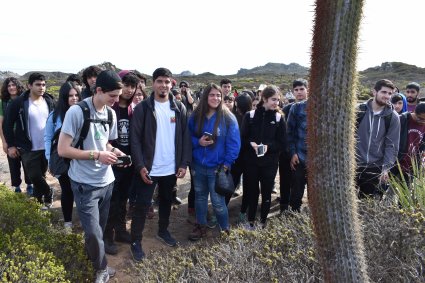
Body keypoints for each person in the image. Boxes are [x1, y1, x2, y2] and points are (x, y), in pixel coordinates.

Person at [57, 70, 124, 282]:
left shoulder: (111, 113)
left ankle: (91, 261)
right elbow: (63, 150)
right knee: (94, 233)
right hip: (84, 184)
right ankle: (102, 269)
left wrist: (116, 153)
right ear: (99, 91)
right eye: (112, 96)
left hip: (107, 182)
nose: (116, 100)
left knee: (99, 230)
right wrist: (97, 155)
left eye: (118, 96)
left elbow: (106, 143)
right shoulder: (76, 112)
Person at [130, 67, 191, 261]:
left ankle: (163, 231)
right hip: (149, 168)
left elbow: (185, 137)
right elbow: (135, 140)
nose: (164, 85)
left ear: (171, 83)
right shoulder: (143, 108)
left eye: (167, 82)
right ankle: (136, 241)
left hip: (170, 168)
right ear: (153, 83)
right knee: (142, 206)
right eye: (160, 81)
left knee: (166, 201)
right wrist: (140, 166)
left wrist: (183, 163)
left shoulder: (178, 107)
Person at [187, 83, 240, 241]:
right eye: (212, 95)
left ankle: (224, 229)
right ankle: (201, 226)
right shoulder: (196, 116)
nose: (216, 98)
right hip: (198, 166)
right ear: (205, 97)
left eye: (218, 95)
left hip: (217, 168)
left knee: (218, 202)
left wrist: (226, 164)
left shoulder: (228, 117)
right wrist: (198, 143)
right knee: (200, 197)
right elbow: (187, 137)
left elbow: (234, 143)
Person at [3, 73, 55, 208]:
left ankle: (40, 204)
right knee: (34, 176)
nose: (42, 88)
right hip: (28, 147)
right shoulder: (18, 103)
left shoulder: (49, 101)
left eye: (44, 85)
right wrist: (11, 145)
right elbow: (7, 125)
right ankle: (49, 192)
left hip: (46, 147)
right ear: (29, 85)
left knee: (41, 176)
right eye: (38, 84)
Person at [103, 72, 140, 255]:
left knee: (123, 198)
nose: (129, 89)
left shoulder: (134, 108)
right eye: (126, 84)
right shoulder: (111, 108)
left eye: (132, 86)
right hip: (111, 161)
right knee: (111, 200)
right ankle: (107, 236)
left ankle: (121, 231)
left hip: (128, 162)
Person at [240, 86, 286, 227]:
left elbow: (282, 143)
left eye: (278, 100)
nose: (276, 103)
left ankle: (263, 222)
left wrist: (268, 147)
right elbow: (242, 139)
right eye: (273, 99)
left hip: (270, 164)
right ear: (264, 99)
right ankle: (251, 221)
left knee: (266, 194)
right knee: (252, 193)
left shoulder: (279, 118)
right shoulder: (250, 116)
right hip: (251, 163)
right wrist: (251, 144)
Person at [44, 82, 80, 230]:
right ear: (63, 97)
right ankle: (67, 222)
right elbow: (48, 138)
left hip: (80, 158)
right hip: (62, 159)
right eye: (70, 95)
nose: (74, 98)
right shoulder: (55, 116)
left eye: (76, 95)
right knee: (67, 189)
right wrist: (49, 160)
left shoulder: (82, 113)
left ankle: (84, 218)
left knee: (80, 189)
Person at [356, 79, 400, 198]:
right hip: (353, 164)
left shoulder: (392, 117)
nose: (387, 96)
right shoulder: (358, 110)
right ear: (374, 92)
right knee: (345, 202)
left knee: (367, 204)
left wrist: (386, 169)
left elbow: (392, 145)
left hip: (375, 167)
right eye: (384, 92)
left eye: (390, 94)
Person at [0, 77, 33, 194]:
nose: (11, 88)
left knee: (27, 162)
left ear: (18, 86)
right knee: (13, 164)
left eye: (13, 85)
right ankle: (17, 187)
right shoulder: (3, 103)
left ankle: (30, 185)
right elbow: (1, 124)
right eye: (8, 86)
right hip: (10, 137)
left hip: (24, 136)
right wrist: (4, 142)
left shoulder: (25, 100)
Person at [280, 79, 308, 212]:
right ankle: (292, 213)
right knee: (296, 189)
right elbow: (288, 133)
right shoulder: (293, 108)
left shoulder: (320, 107)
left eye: (301, 89)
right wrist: (293, 153)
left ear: (307, 90)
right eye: (296, 90)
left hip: (318, 158)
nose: (299, 92)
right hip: (299, 156)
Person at [393, 102, 425, 185]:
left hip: (411, 165)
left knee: (404, 193)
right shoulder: (402, 119)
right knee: (383, 190)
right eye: (420, 118)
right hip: (395, 162)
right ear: (414, 112)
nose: (422, 122)